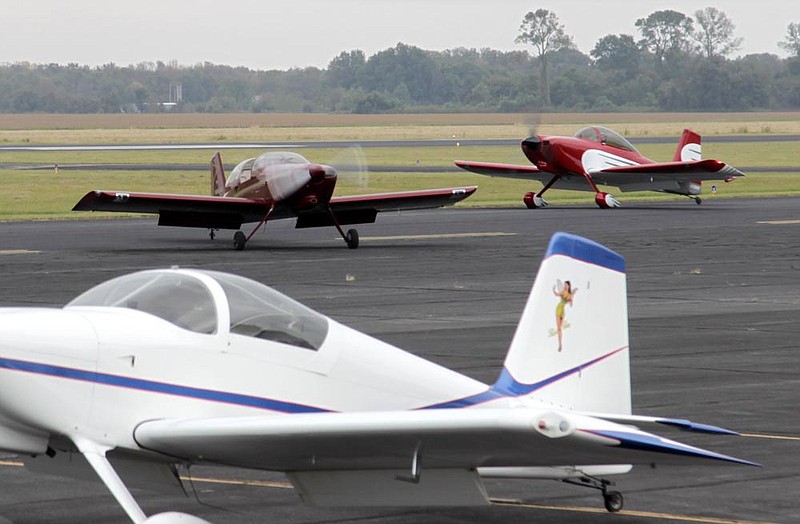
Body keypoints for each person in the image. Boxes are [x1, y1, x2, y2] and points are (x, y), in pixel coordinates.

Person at [553, 280, 577, 352]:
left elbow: (571, 305)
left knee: (560, 328)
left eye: (567, 285)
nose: (565, 286)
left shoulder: (569, 295)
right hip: (559, 308)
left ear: (569, 286)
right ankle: (560, 344)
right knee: (559, 328)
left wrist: (572, 297)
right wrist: (554, 290)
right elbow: (557, 294)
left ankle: (560, 344)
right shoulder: (563, 292)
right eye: (565, 285)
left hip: (563, 310)